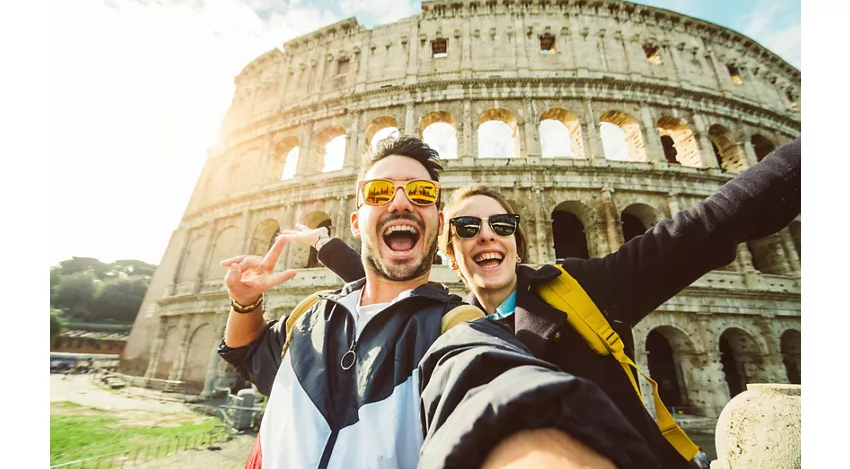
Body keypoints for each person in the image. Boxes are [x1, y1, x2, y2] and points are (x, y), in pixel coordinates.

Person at [285, 137, 801, 469]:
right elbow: (379, 275)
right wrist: (325, 246)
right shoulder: (441, 319)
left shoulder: (584, 289)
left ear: (516, 238)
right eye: (468, 227)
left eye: (501, 225)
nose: (487, 236)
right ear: (449, 244)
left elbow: (708, 226)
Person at [217, 137, 657, 469]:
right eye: (380, 193)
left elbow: (496, 392)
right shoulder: (309, 313)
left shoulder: (455, 329)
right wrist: (244, 303)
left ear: (438, 221)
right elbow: (248, 354)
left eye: (422, 194)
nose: (402, 201)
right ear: (355, 221)